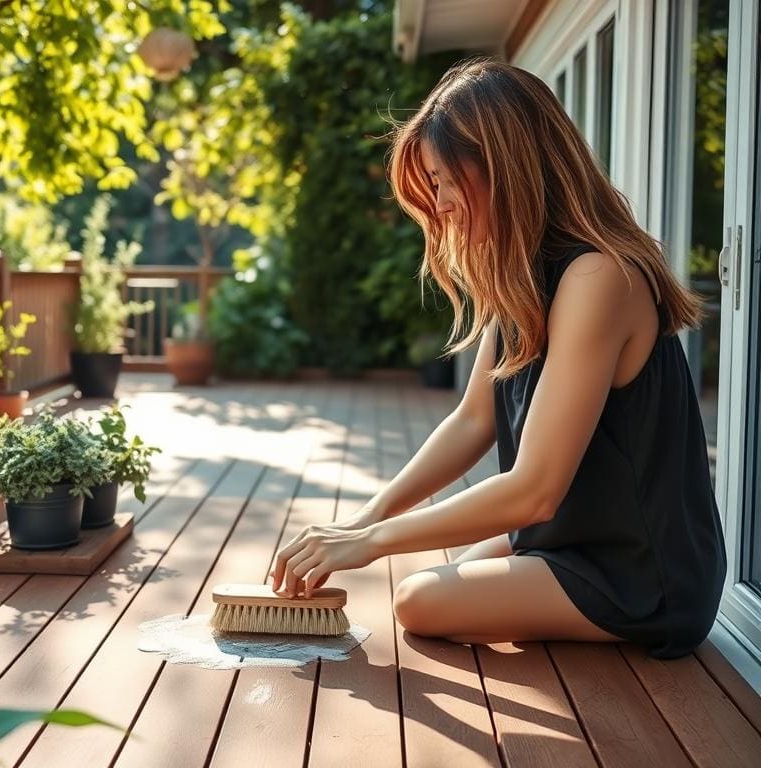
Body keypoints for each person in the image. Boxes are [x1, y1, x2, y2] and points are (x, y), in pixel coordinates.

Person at [269, 58, 726, 659]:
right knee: (439, 587)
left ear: (504, 166)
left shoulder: (598, 276)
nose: (441, 205)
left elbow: (535, 489)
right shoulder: (524, 276)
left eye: (444, 180)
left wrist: (374, 541)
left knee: (419, 601)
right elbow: (473, 420)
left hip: (643, 573)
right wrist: (361, 519)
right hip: (566, 542)